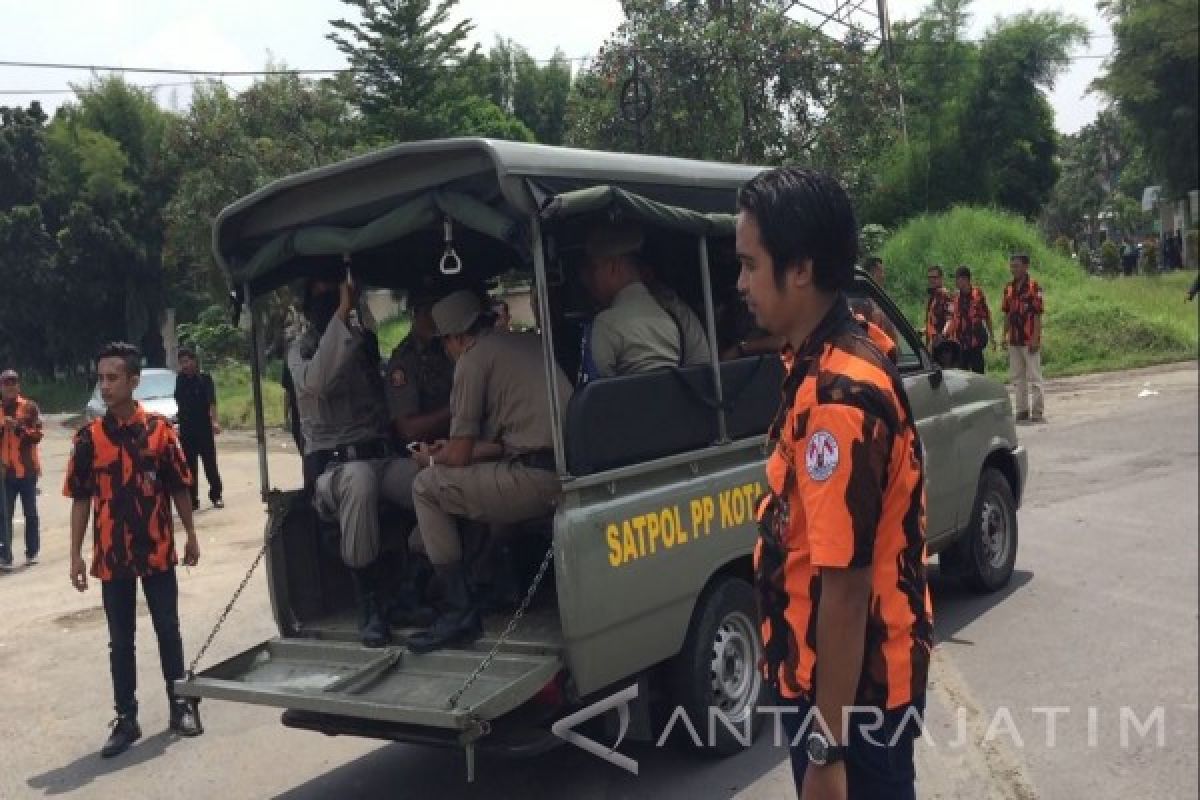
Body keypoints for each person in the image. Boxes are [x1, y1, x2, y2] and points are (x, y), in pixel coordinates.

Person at [735, 167, 932, 800]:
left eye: (749, 264)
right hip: (840, 687)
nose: (740, 284)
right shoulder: (824, 357)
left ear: (799, 268)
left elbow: (844, 587)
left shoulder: (838, 399)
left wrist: (827, 746)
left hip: (852, 699)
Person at [406, 290, 573, 653]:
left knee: (425, 487)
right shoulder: (525, 344)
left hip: (535, 481)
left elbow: (462, 454)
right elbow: (497, 445)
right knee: (474, 481)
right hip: (565, 470)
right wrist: (448, 451)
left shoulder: (473, 359)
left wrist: (432, 459)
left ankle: (458, 611)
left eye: (445, 343)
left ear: (455, 337)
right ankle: (494, 584)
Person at [64, 342, 203, 758]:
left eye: (113, 378)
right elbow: (81, 499)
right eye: (101, 378)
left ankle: (181, 703)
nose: (104, 386)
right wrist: (75, 555)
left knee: (168, 629)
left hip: (157, 548)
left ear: (133, 381)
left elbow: (179, 485)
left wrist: (191, 534)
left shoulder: (161, 432)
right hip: (111, 555)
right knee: (120, 641)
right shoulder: (89, 439)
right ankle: (126, 718)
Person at [287, 270, 427, 647]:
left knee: (431, 484)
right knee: (360, 481)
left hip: (379, 458)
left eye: (337, 293)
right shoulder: (302, 351)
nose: (331, 300)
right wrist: (341, 315)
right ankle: (370, 602)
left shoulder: (364, 343)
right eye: (323, 296)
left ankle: (412, 586)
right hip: (334, 471)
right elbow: (317, 384)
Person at [578, 221, 693, 378]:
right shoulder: (672, 318)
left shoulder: (606, 323)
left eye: (595, 268)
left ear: (613, 267)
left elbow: (593, 390)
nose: (591, 277)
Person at [386, 285, 456, 448]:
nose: (436, 317)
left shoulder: (449, 346)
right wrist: (457, 408)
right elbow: (408, 430)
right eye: (429, 311)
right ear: (415, 314)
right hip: (426, 452)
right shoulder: (404, 361)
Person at [1, 369, 42, 569]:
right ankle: (5, 556)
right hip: (5, 472)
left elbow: (37, 435)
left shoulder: (29, 407)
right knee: (4, 516)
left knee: (31, 513)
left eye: (13, 383)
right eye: (6, 383)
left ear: (18, 385)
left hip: (27, 470)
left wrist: (17, 427)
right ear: (1, 387)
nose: (10, 387)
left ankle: (32, 551)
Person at [174, 347, 224, 510]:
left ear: (194, 361)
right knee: (189, 466)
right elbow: (179, 403)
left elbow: (212, 402)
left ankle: (216, 495)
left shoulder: (204, 379)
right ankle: (193, 500)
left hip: (203, 428)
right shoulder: (180, 380)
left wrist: (214, 421)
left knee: (210, 464)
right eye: (182, 363)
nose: (185, 365)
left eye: (187, 361)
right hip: (187, 430)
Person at [1002, 254, 1046, 423]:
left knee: (1034, 377)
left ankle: (1037, 412)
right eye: (1012, 266)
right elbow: (1006, 314)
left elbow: (1037, 315)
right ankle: (1021, 410)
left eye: (1017, 266)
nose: (1014, 269)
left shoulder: (1034, 287)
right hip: (1014, 338)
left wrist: (1035, 338)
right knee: (1017, 377)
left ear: (1026, 267)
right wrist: (1004, 335)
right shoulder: (1008, 288)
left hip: (1029, 339)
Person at [945, 266, 996, 374]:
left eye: (957, 279)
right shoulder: (955, 297)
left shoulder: (977, 294)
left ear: (965, 279)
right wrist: (945, 335)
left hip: (975, 343)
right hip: (960, 344)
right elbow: (951, 319)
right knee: (962, 376)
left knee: (978, 376)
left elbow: (987, 315)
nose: (955, 282)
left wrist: (992, 337)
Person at [924, 265, 952, 349]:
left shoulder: (945, 295)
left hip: (943, 345)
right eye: (929, 278)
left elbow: (950, 319)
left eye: (934, 277)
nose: (931, 280)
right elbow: (933, 322)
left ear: (941, 278)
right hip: (933, 343)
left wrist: (942, 336)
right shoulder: (933, 296)